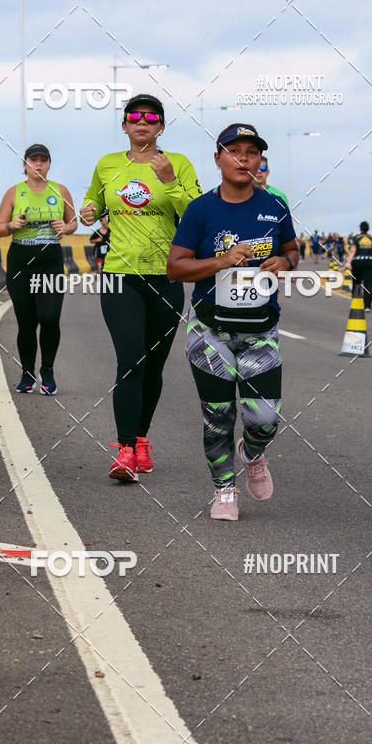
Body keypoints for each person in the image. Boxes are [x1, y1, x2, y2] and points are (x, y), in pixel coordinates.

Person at [167, 123, 299, 521]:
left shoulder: (274, 206)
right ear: (218, 158)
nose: (244, 159)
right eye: (235, 151)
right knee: (218, 415)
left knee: (264, 418)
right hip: (210, 332)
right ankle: (224, 490)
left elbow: (293, 250)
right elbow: (176, 268)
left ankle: (253, 453)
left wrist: (284, 262)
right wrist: (221, 261)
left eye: (252, 152)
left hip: (261, 332)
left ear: (261, 160)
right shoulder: (200, 210)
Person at [80, 94, 201, 482]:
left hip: (166, 276)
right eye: (135, 117)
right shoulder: (108, 165)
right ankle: (125, 451)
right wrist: (87, 211)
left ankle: (142, 438)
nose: (142, 123)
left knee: (154, 366)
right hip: (120, 276)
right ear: (125, 125)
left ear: (161, 126)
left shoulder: (177, 164)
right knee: (130, 360)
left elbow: (197, 214)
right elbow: (93, 204)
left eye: (151, 118)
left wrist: (170, 182)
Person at [0, 143, 77, 395]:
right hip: (20, 258)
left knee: (50, 318)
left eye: (43, 160)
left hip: (50, 259)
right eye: (33, 160)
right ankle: (27, 372)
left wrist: (64, 227)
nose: (38, 164)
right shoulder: (13, 193)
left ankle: (48, 370)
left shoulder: (60, 190)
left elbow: (73, 223)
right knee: (27, 322)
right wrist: (12, 224)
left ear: (49, 164)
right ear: (25, 165)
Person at [346, 221, 372, 311]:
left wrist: (348, 262)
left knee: (356, 283)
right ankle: (367, 306)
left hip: (357, 263)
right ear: (368, 229)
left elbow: (353, 250)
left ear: (360, 228)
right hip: (369, 262)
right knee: (368, 284)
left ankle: (356, 302)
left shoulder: (356, 238)